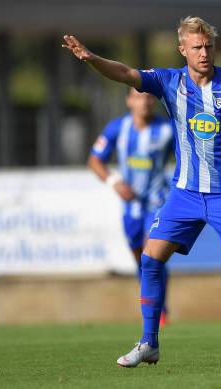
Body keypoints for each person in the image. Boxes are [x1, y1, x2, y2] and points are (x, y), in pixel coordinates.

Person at [63, 15, 221, 368]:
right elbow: (124, 73)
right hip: (184, 195)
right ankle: (149, 343)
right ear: (182, 49)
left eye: (209, 46)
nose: (204, 53)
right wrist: (92, 59)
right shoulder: (169, 81)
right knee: (150, 259)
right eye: (197, 47)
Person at [88, 87, 174, 326]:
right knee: (140, 258)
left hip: (158, 201)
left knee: (151, 255)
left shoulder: (167, 129)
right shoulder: (118, 128)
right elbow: (95, 160)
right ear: (129, 101)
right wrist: (115, 182)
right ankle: (153, 303)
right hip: (130, 206)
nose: (144, 102)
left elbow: (186, 157)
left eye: (148, 97)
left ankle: (160, 311)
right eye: (138, 97)